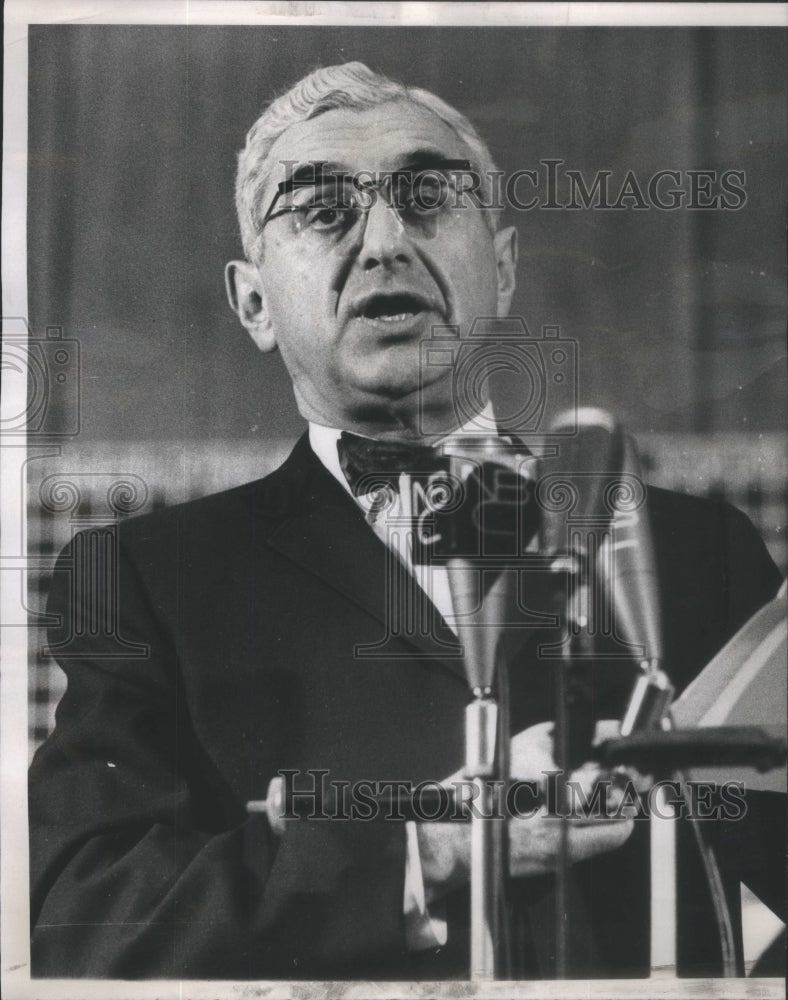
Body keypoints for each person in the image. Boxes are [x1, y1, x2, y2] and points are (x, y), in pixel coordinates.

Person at [29, 62, 782, 981]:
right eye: (321, 210)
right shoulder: (145, 581)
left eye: (427, 197)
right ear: (254, 302)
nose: (385, 240)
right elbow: (87, 918)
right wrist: (431, 851)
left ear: (501, 268)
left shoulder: (699, 551)